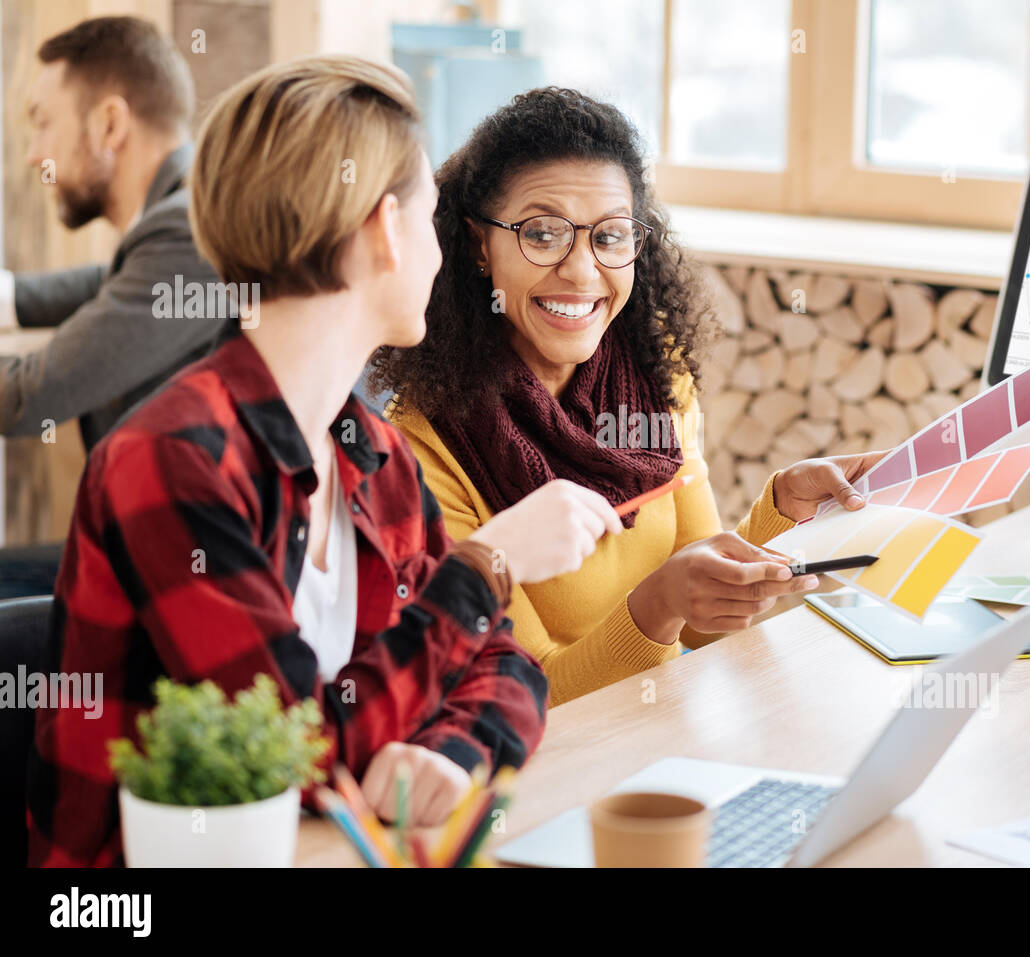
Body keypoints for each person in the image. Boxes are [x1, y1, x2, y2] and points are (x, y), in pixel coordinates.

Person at [27, 57, 622, 867]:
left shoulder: (369, 450)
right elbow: (299, 747)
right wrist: (489, 561)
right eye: (432, 218)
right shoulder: (170, 463)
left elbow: (506, 663)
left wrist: (449, 751)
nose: (444, 256)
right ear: (383, 228)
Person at [372, 88, 884, 707]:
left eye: (610, 237)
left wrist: (785, 510)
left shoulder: (656, 379)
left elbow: (699, 615)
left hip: (659, 741)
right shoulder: (423, 447)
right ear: (480, 245)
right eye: (542, 233)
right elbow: (526, 696)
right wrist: (659, 604)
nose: (583, 272)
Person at [0, 16, 233, 598]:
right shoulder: (179, 217)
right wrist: (8, 296)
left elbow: (29, 398)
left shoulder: (188, 232)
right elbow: (108, 282)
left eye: (43, 125)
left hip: (181, 583)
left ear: (109, 122)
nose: (34, 155)